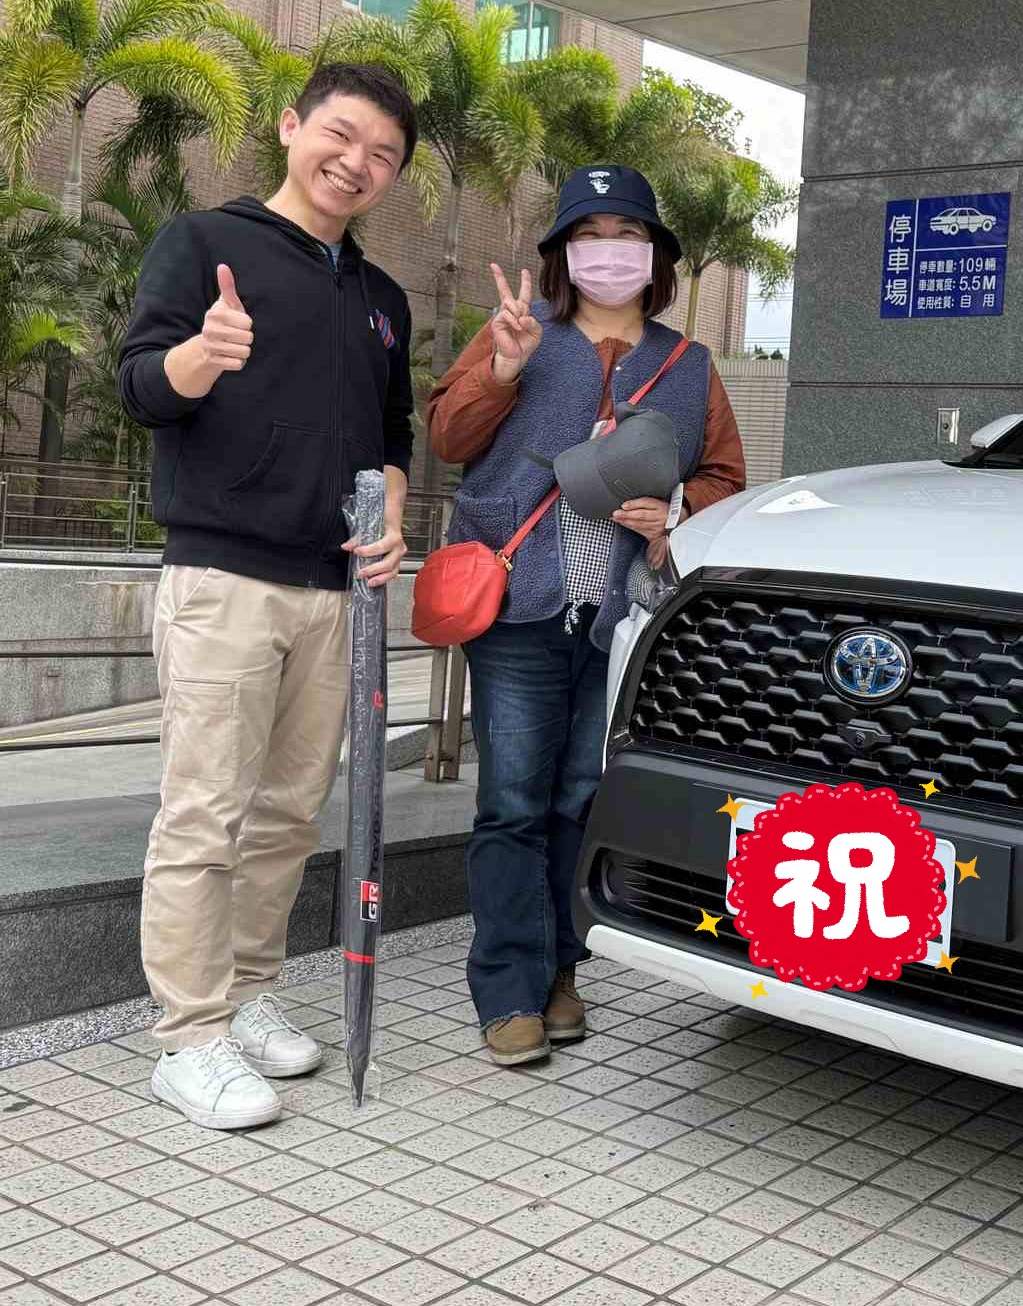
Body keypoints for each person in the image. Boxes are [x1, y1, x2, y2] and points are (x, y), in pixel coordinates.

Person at [117, 63, 418, 1129]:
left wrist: (392, 520)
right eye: (341, 135)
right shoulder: (205, 242)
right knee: (205, 810)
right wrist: (203, 355)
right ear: (292, 127)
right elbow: (140, 385)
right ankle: (187, 1035)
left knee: (289, 812)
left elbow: (392, 435)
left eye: (382, 154)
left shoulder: (380, 298)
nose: (356, 162)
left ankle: (247, 993)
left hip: (333, 590)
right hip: (223, 578)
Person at [428, 164, 746, 1064]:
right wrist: (502, 366)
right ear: (562, 254)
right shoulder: (523, 332)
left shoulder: (689, 365)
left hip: (619, 621)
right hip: (518, 609)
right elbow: (448, 437)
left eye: (627, 235)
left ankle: (563, 972)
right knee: (511, 801)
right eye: (589, 236)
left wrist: (673, 509)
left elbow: (725, 477)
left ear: (656, 255)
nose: (608, 252)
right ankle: (506, 989)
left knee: (578, 797)